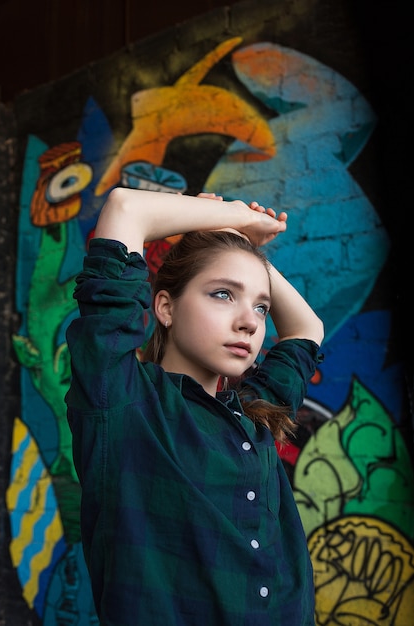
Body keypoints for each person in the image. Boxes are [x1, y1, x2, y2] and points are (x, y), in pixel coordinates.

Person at [65, 188, 324, 626]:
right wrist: (227, 218)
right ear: (165, 307)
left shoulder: (254, 409)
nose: (249, 321)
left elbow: (307, 329)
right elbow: (127, 209)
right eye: (223, 294)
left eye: (261, 307)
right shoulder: (124, 402)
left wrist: (234, 240)